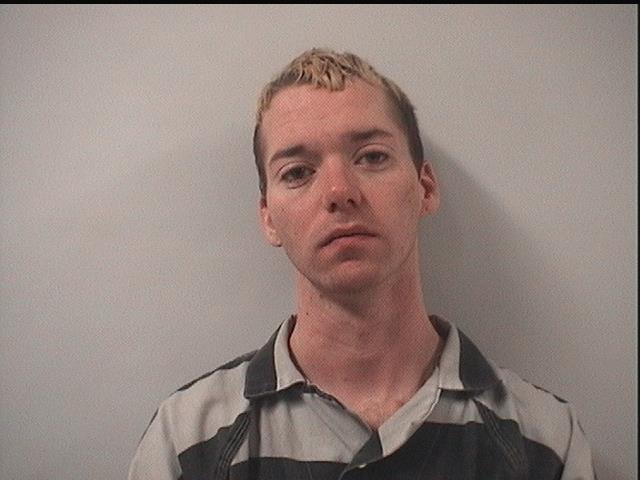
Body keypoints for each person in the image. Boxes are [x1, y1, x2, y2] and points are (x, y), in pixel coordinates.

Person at [128, 48, 596, 479]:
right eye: (297, 172)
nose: (339, 191)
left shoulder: (546, 442)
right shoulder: (186, 441)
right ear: (268, 218)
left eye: (372, 157)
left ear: (425, 188)